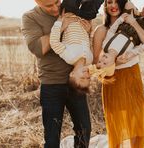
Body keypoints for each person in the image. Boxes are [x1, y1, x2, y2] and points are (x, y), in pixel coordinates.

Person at [21, 0, 91, 147]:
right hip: (51, 84)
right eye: (49, 6)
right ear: (37, 3)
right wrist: (59, 27)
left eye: (56, 2)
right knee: (52, 138)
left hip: (75, 82)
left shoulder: (69, 8)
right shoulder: (30, 17)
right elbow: (38, 49)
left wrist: (88, 31)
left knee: (84, 131)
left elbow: (83, 41)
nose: (55, 8)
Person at [93, 0, 144, 147]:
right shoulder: (102, 30)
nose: (113, 5)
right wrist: (114, 63)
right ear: (105, 6)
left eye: (117, 2)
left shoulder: (133, 26)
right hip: (113, 79)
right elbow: (96, 61)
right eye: (109, 2)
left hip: (132, 74)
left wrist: (132, 21)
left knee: (135, 118)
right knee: (116, 119)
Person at [50, 0, 104, 92]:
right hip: (85, 19)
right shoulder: (89, 60)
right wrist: (89, 31)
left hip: (69, 15)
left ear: (72, 74)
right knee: (95, 4)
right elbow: (90, 43)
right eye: (88, 79)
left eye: (82, 78)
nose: (86, 76)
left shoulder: (69, 57)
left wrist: (60, 21)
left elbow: (54, 43)